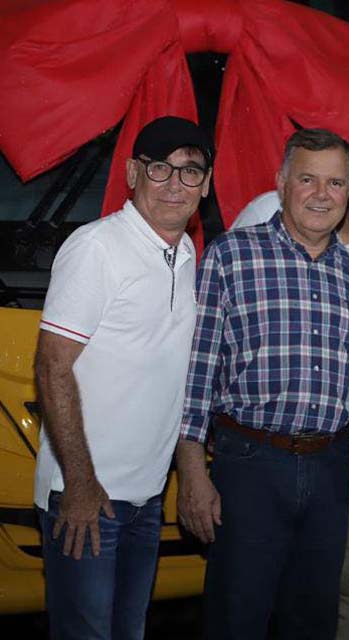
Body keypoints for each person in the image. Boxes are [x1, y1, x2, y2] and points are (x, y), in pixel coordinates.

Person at [174, 128, 349, 640]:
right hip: (249, 462)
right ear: (282, 184)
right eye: (308, 180)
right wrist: (192, 472)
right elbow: (198, 372)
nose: (322, 194)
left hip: (330, 463)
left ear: (346, 192)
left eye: (335, 183)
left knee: (314, 616)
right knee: (237, 615)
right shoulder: (232, 256)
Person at [232, 122, 349, 640]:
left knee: (333, 582)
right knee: (249, 586)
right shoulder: (262, 214)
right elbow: (216, 333)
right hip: (254, 442)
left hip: (344, 443)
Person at [33, 116, 213, 639]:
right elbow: (52, 365)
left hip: (145, 497)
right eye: (160, 169)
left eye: (190, 172)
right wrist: (82, 485)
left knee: (127, 631)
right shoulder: (98, 248)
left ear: (206, 185)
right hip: (88, 497)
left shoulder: (184, 254)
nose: (175, 185)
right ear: (133, 173)